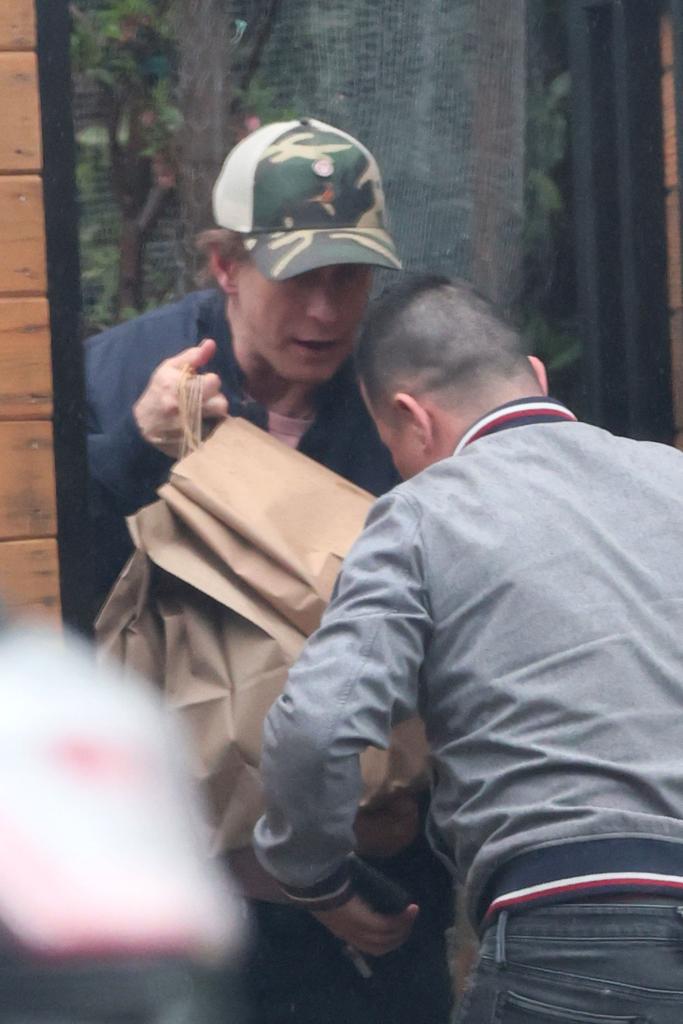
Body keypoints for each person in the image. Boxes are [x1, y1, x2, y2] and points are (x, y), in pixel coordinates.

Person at [86, 124, 454, 1024]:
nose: (326, 314)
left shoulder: (401, 394)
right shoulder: (120, 371)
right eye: (298, 280)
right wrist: (136, 447)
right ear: (224, 268)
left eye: (349, 279)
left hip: (373, 870)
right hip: (179, 873)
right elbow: (59, 579)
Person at [254, 274, 683, 1023]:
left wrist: (316, 878)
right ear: (537, 378)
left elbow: (316, 728)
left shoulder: (421, 514)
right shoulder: (672, 480)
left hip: (573, 931)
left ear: (409, 418)